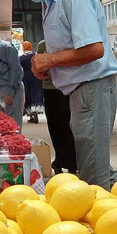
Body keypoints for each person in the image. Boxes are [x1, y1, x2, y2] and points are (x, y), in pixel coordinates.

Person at [9, 0, 117, 189]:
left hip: (93, 88)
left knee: (95, 175)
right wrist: (49, 64)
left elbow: (94, 49)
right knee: (93, 164)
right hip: (78, 91)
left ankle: (112, 222)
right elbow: (72, 44)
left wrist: (51, 59)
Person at [36, 40, 78, 174]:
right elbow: (40, 67)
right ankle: (61, 160)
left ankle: (72, 161)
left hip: (68, 88)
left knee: (68, 125)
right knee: (55, 126)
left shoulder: (67, 43)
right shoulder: (43, 45)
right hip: (51, 89)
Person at [20, 41, 44, 124]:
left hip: (26, 77)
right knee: (36, 93)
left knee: (28, 94)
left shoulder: (22, 57)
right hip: (36, 76)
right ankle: (36, 113)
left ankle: (31, 115)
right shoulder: (35, 56)